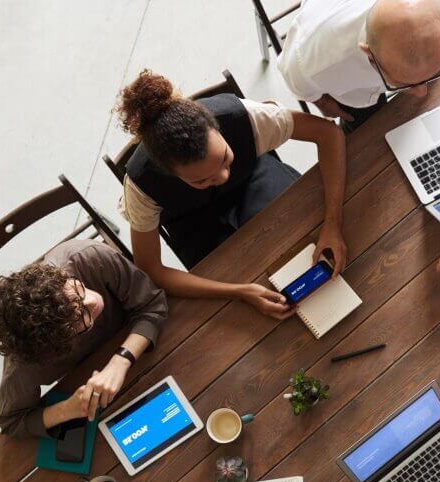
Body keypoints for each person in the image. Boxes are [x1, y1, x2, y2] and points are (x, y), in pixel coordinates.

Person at [279, 0, 440, 273]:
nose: (422, 93)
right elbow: (299, 82)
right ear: (369, 55)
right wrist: (319, 99)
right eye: (407, 84)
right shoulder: (313, 60)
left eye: (434, 73)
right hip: (345, 78)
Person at [116, 70, 347, 319]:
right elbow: (151, 269)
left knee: (299, 233)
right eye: (202, 179)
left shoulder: (244, 117)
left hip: (251, 178)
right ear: (169, 173)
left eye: (224, 159)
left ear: (217, 128)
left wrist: (333, 223)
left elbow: (329, 134)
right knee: (235, 282)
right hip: (190, 220)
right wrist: (239, 292)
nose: (222, 177)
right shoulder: (142, 187)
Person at [0, 240, 168, 438]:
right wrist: (68, 409)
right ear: (58, 342)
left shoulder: (88, 257)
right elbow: (11, 421)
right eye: (80, 317)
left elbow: (153, 304)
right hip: (100, 397)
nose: (92, 301)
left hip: (152, 347)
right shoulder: (25, 361)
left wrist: (120, 361)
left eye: (77, 291)